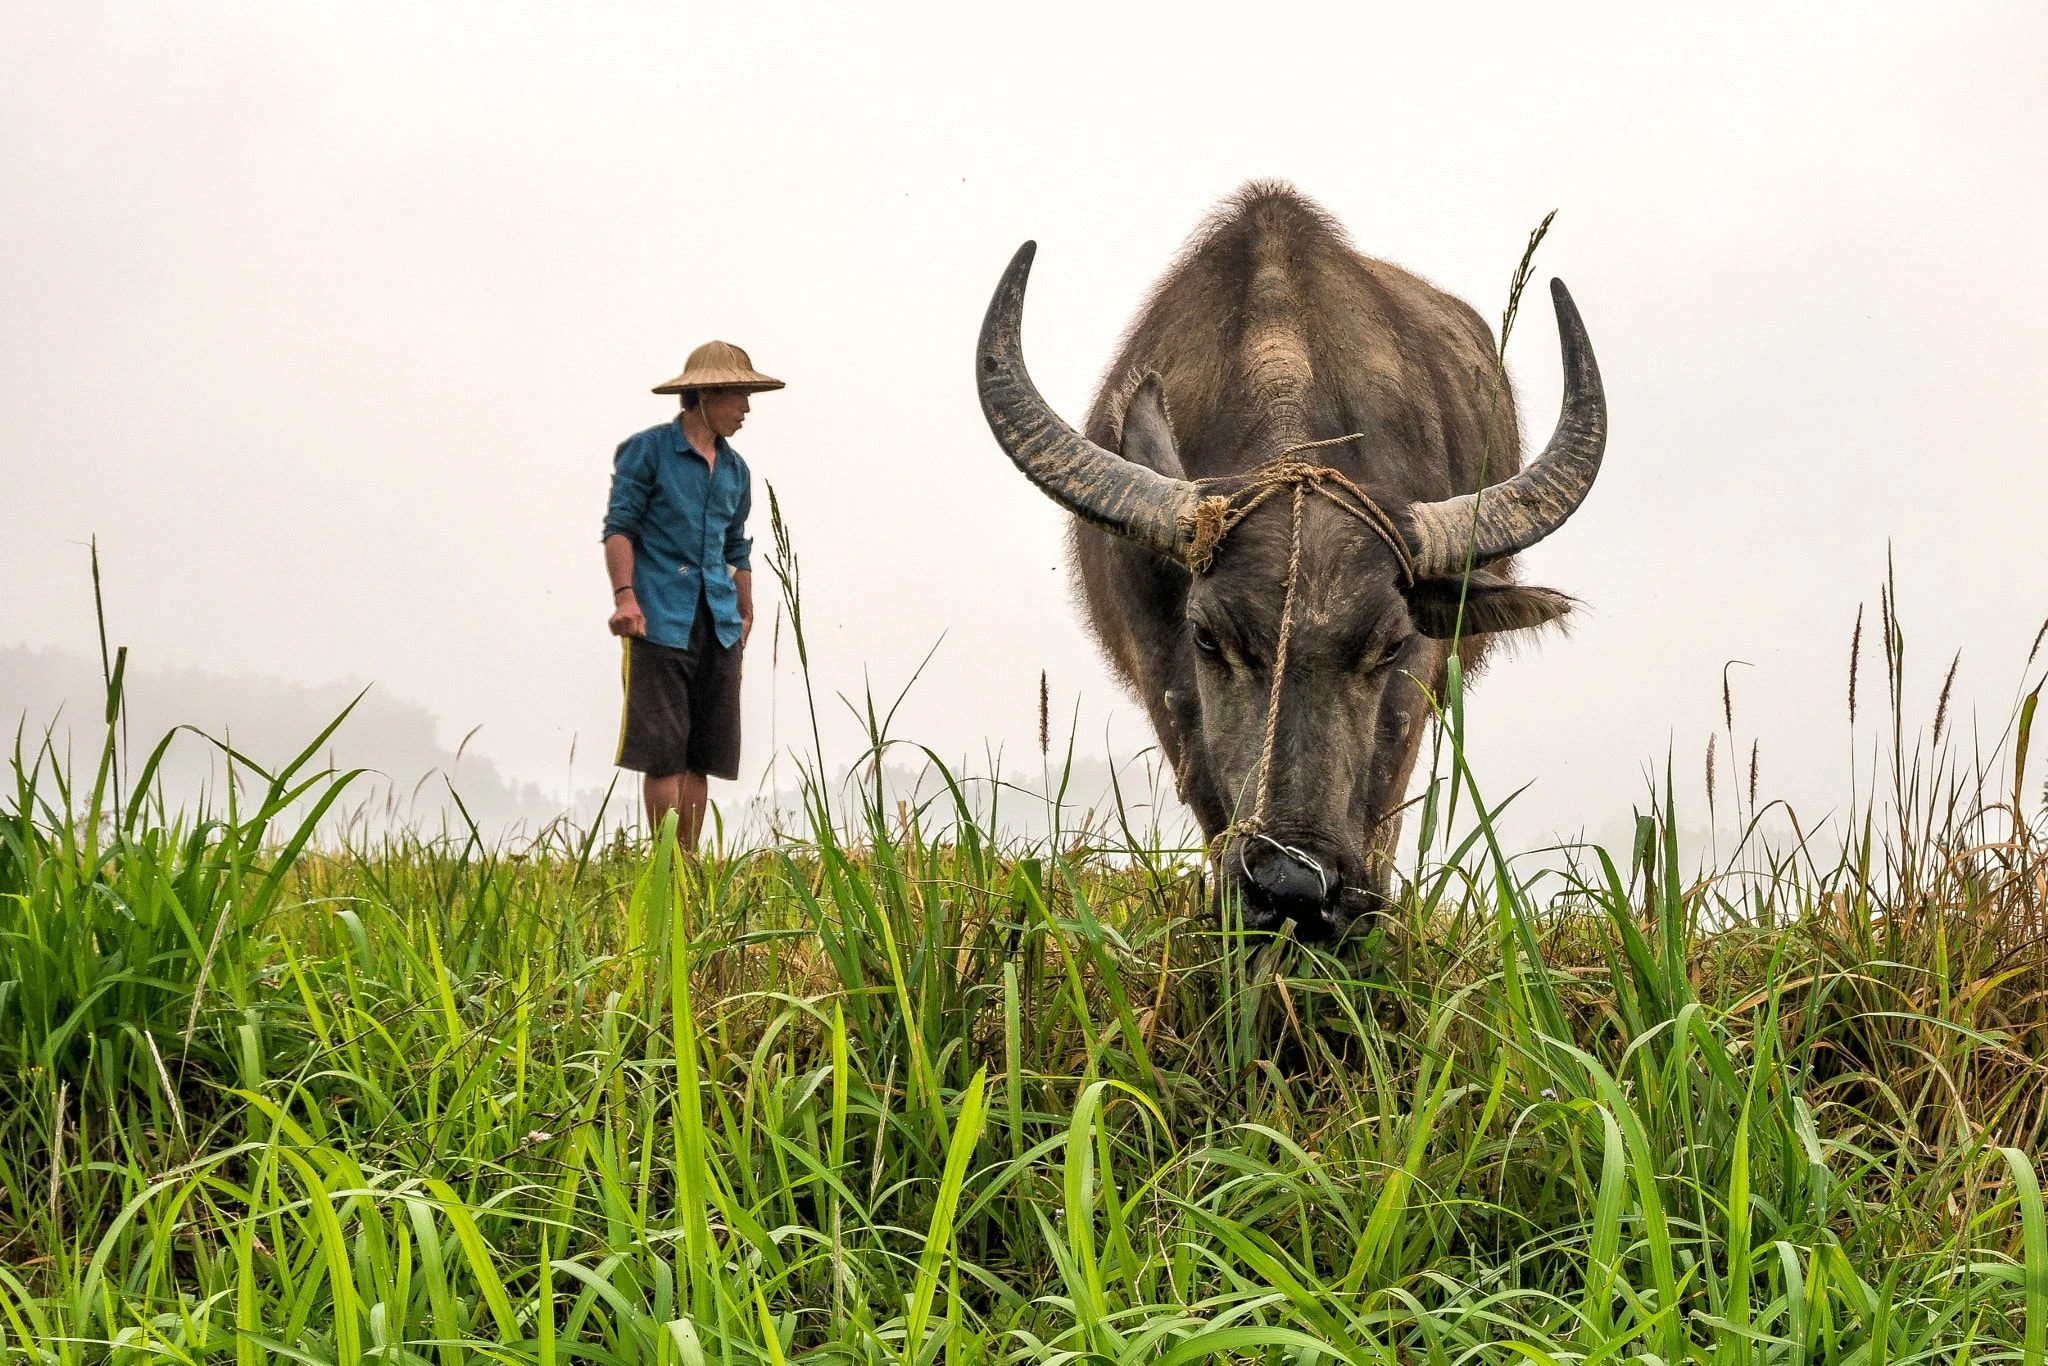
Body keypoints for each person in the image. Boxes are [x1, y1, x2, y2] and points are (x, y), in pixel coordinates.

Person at [602, 340, 783, 848]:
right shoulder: (649, 450)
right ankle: (665, 871)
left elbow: (736, 547)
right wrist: (625, 598)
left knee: (702, 752)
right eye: (739, 397)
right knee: (664, 750)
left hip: (717, 621)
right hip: (658, 615)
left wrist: (745, 611)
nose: (746, 409)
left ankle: (689, 864)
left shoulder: (735, 470)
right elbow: (620, 527)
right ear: (706, 394)